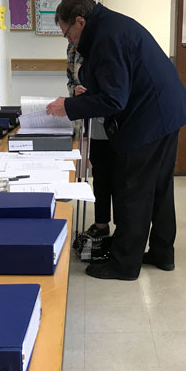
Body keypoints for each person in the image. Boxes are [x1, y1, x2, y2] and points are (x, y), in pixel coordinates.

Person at [46, 0, 186, 281]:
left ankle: (124, 265)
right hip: (165, 112)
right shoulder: (110, 26)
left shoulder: (106, 36)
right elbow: (118, 81)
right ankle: (163, 253)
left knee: (133, 190)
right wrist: (90, 93)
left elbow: (115, 100)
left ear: (80, 21)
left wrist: (69, 106)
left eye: (68, 34)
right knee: (159, 188)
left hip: (150, 118)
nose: (69, 41)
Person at [66, 41, 115, 239]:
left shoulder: (105, 44)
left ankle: (123, 230)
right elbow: (71, 80)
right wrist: (75, 91)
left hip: (118, 120)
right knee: (101, 173)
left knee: (120, 178)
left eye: (67, 30)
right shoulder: (72, 48)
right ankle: (101, 224)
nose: (67, 37)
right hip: (95, 121)